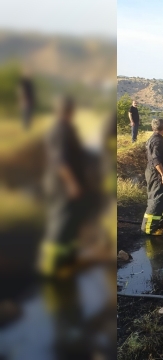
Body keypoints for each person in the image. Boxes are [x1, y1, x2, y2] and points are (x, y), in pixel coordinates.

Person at [38, 96, 89, 277]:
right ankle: (51, 267)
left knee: (70, 223)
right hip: (62, 186)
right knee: (60, 223)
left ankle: (67, 261)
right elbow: (61, 162)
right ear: (69, 111)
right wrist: (73, 184)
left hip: (66, 184)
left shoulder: (66, 128)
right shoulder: (60, 130)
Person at [141, 118, 163, 235]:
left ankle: (161, 223)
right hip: (157, 174)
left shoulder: (155, 140)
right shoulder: (158, 142)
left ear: (152, 128)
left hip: (156, 172)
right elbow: (156, 160)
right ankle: (148, 229)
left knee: (162, 199)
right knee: (156, 199)